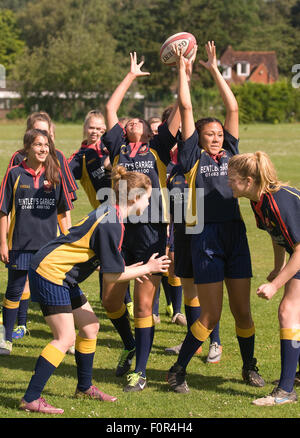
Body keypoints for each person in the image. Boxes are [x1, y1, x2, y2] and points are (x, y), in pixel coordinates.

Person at [17, 165, 170, 414]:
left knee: (90, 327)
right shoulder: (113, 223)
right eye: (149, 196)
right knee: (64, 338)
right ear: (135, 197)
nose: (150, 202)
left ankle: (84, 387)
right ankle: (31, 398)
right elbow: (111, 277)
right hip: (51, 273)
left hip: (63, 275)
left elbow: (105, 264)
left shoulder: (112, 214)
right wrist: (147, 268)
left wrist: (130, 268)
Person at [167, 41, 265, 393]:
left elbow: (233, 106)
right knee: (210, 317)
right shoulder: (192, 156)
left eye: (219, 134)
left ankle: (249, 367)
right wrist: (183, 70)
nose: (215, 137)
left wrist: (214, 68)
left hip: (235, 236)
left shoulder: (233, 155)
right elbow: (186, 104)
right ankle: (178, 369)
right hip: (205, 237)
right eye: (210, 133)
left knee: (243, 313)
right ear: (198, 138)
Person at [102, 52, 180, 392]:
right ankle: (130, 344)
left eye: (139, 121)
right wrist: (131, 75)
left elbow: (180, 112)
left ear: (149, 130)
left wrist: (182, 72)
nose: (132, 121)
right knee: (110, 301)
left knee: (145, 304)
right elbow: (110, 109)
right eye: (128, 121)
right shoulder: (118, 149)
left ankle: (141, 369)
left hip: (150, 233)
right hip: (118, 230)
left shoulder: (158, 151)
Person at [228, 151, 300, 406]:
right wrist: (278, 267)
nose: (228, 182)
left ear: (248, 180)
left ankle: (285, 391)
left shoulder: (279, 201)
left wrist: (275, 284)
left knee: (287, 311)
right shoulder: (258, 200)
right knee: (292, 312)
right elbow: (277, 233)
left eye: (231, 178)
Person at [3, 112, 77, 342]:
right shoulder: (15, 171)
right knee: (16, 287)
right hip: (20, 243)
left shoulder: (56, 169)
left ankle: (65, 336)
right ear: (27, 144)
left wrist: (69, 240)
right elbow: (4, 208)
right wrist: (3, 242)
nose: (44, 146)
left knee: (54, 289)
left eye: (47, 140)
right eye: (38, 141)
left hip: (48, 244)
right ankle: (7, 334)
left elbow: (64, 209)